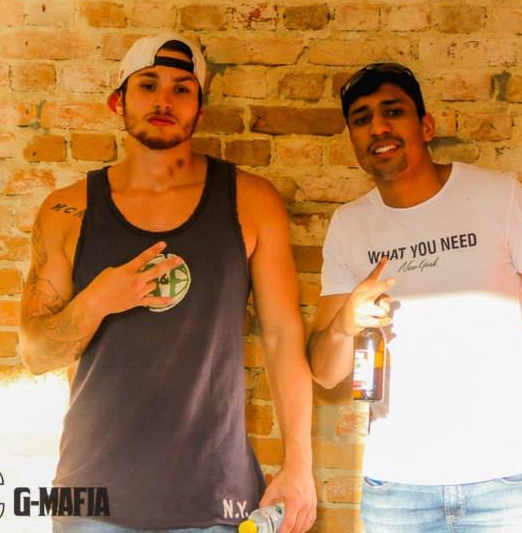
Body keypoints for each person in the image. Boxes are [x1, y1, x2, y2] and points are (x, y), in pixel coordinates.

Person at [19, 33, 316, 533]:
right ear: (118, 101)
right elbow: (35, 354)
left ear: (200, 109)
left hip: (214, 493)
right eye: (148, 85)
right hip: (92, 495)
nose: (164, 100)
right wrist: (97, 300)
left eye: (182, 89)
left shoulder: (250, 201)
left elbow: (282, 336)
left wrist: (299, 465)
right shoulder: (67, 210)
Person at [307, 63, 522, 532]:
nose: (378, 128)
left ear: (426, 126)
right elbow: (324, 372)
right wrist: (345, 323)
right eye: (361, 119)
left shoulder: (500, 197)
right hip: (396, 488)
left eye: (393, 112)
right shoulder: (349, 226)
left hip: (503, 482)